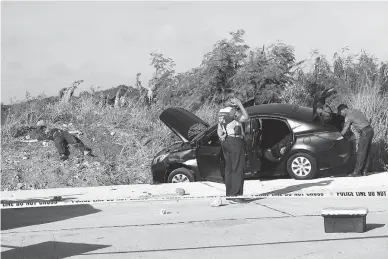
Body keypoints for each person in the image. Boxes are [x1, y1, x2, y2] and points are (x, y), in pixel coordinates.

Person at [217, 92, 250, 203]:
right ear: (231, 100)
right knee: (238, 167)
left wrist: (220, 135)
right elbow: (246, 118)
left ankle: (230, 194)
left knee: (229, 168)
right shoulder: (232, 112)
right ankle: (236, 195)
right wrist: (240, 105)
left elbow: (219, 128)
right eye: (235, 98)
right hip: (235, 141)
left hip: (226, 141)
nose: (237, 99)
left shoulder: (221, 112)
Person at [22, 120, 92, 161]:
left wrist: (76, 131)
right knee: (59, 142)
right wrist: (26, 141)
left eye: (44, 128)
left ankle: (84, 150)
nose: (45, 129)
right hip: (57, 136)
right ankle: (63, 155)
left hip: (62, 133)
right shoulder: (42, 135)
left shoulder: (52, 129)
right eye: (43, 128)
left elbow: (66, 132)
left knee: (72, 140)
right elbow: (35, 140)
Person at [337, 104, 374, 177]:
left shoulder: (348, 116)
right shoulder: (356, 110)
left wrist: (339, 136)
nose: (341, 114)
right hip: (370, 130)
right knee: (366, 151)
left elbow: (345, 129)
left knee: (361, 152)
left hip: (364, 132)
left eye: (341, 113)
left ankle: (357, 172)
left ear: (344, 110)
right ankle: (364, 171)